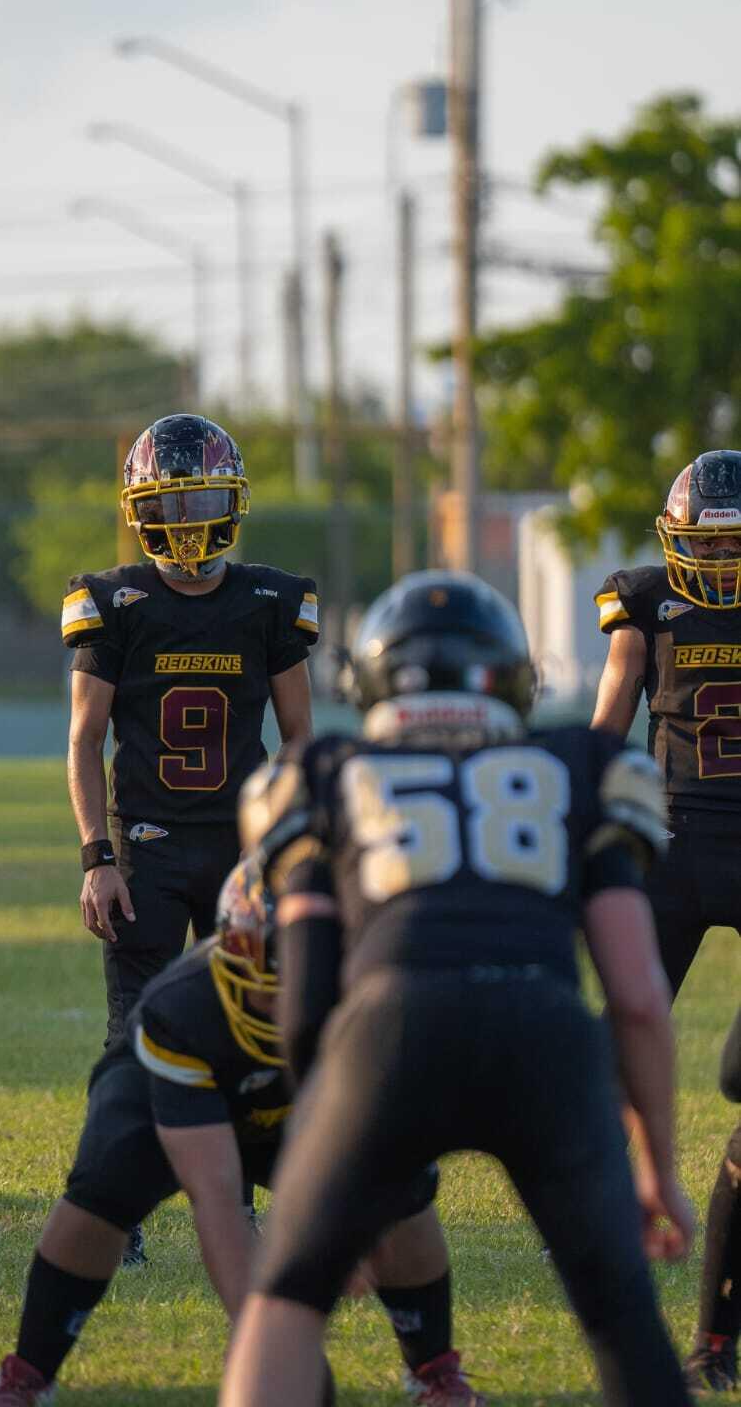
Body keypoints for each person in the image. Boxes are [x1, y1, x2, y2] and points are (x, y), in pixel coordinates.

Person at [220, 570, 694, 1407]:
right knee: (622, 1312)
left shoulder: (324, 771)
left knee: (285, 1300)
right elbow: (638, 995)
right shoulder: (582, 763)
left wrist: (324, 1166)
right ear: (512, 678)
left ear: (372, 683)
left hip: (388, 1028)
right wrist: (657, 1164)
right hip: (544, 1031)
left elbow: (307, 1005)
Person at [0, 860, 479, 1407]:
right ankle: (25, 1378)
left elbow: (373, 1152)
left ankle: (436, 1373)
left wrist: (352, 1234)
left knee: (404, 1193)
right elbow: (216, 1199)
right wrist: (267, 1344)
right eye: (266, 987)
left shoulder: (378, 1006)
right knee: (101, 1192)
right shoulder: (184, 1011)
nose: (281, 1007)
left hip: (298, 1104)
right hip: (175, 1088)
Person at [62, 413, 317, 1263]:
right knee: (130, 1035)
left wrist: (292, 852)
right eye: (171, 504)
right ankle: (116, 1211)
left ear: (232, 501)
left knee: (253, 1030)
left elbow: (300, 742)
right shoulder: (116, 602)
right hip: (148, 847)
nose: (188, 521)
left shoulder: (268, 602)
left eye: (202, 499)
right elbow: (84, 740)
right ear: (141, 511)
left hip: (246, 854)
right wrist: (97, 857)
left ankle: (237, 1204)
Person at [592, 448, 741, 1390]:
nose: (719, 563)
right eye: (706, 546)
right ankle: (603, 1189)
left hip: (712, 837)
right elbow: (611, 716)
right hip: (674, 837)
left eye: (733, 546)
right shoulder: (645, 604)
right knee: (626, 1024)